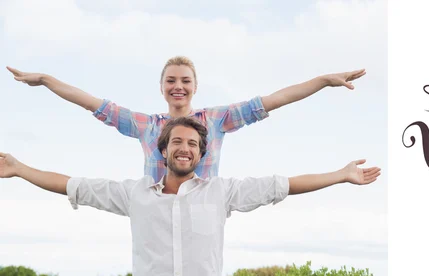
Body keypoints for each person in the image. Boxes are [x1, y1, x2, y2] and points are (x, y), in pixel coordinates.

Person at [0, 116, 380, 276]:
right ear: (163, 149)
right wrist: (19, 168)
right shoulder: (134, 195)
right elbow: (73, 185)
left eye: (193, 144)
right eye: (178, 142)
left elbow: (282, 185)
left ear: (201, 154)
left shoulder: (221, 193)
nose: (185, 149)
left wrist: (340, 175)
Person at [6, 57, 366, 181]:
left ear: (195, 87)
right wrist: (47, 81)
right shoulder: (145, 124)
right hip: (157, 210)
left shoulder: (218, 118)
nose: (178, 86)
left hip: (202, 209)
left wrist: (321, 82)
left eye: (185, 81)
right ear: (162, 87)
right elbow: (92, 103)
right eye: (171, 81)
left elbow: (275, 99)